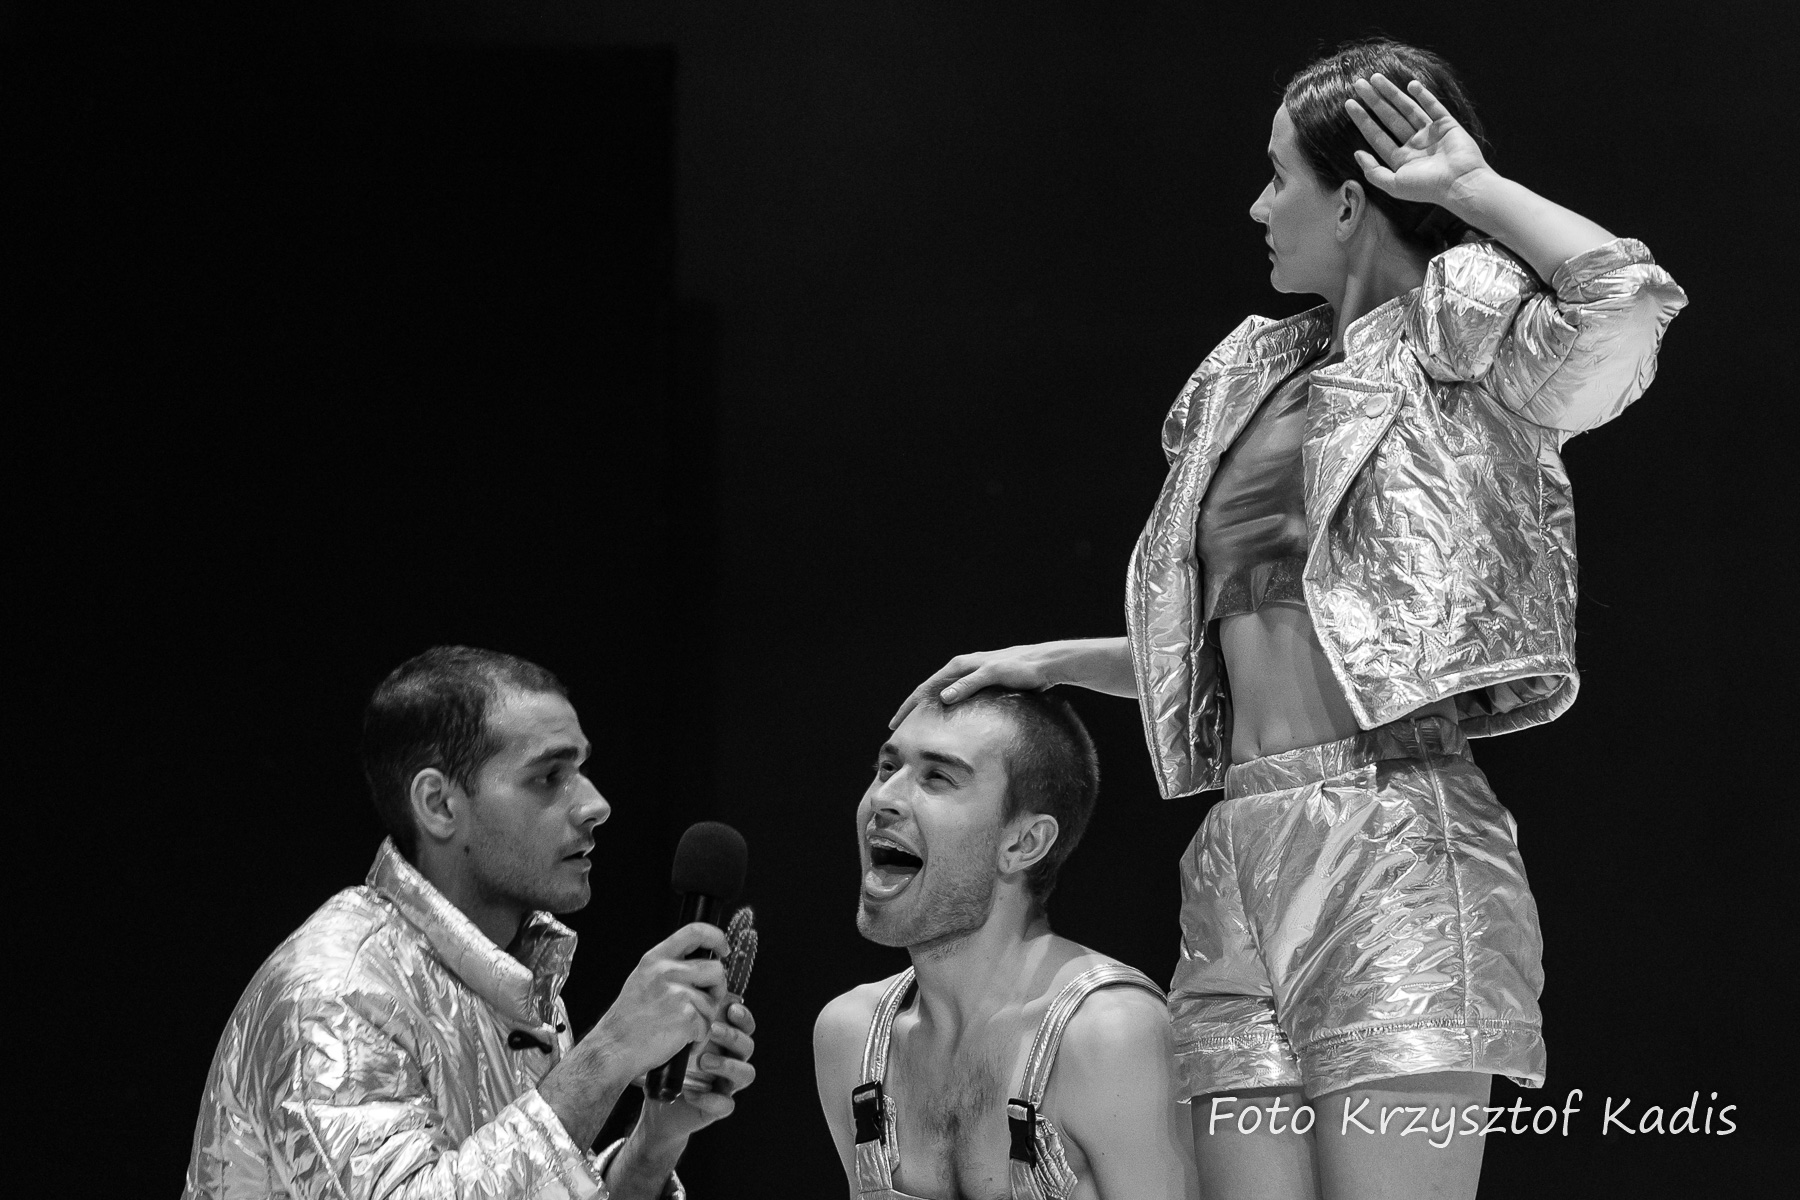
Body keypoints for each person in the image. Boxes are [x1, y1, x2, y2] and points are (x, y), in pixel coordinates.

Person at [889, 39, 1685, 1200]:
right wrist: (1050, 661)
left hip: (1393, 839)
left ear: (1352, 201)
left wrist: (1470, 189)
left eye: (1278, 177)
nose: (1259, 207)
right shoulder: (1254, 374)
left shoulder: (1467, 354)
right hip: (1240, 848)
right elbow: (1233, 644)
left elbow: (1620, 302)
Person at [183, 646, 757, 1200]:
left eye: (581, 768)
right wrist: (606, 1057)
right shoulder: (332, 992)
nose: (595, 804)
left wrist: (656, 1140)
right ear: (438, 805)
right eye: (548, 776)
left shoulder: (519, 976)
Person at [814, 688, 1197, 1200]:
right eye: (887, 768)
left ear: (1023, 843)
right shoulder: (851, 1037)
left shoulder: (1109, 1036)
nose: (884, 799)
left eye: (937, 777)